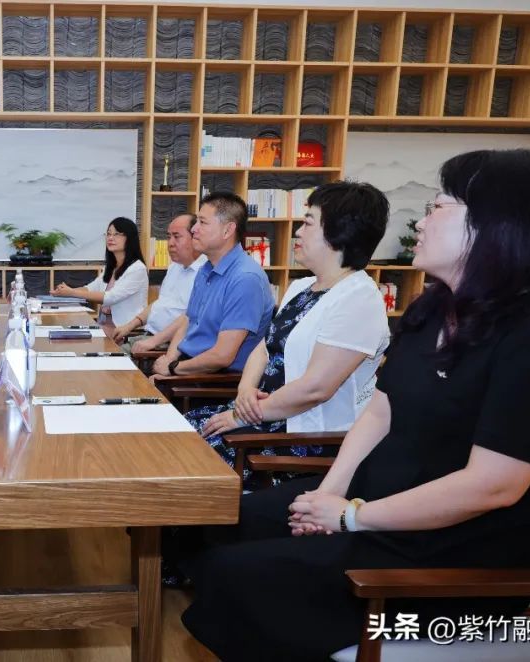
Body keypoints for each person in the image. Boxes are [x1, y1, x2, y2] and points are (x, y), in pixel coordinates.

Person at [181, 149, 530, 661]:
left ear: (496, 223)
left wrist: (352, 517)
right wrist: (330, 493)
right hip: (382, 507)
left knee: (236, 579)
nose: (421, 222)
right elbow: (379, 410)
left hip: (456, 556)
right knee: (222, 523)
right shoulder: (434, 308)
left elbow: (495, 485)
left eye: (438, 207)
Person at [185, 181, 390, 484]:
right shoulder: (302, 287)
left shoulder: (359, 298)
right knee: (174, 433)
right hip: (261, 416)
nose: (297, 232)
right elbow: (263, 348)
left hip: (301, 436)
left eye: (308, 223)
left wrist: (243, 414)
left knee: (186, 458)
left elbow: (316, 389)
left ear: (340, 231)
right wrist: (244, 391)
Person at [150, 192, 275, 381]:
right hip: (189, 367)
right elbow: (188, 321)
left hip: (214, 380)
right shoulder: (206, 269)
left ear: (227, 230)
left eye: (202, 222)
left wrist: (174, 368)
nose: (194, 229)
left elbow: (222, 357)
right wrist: (170, 359)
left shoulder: (245, 279)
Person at [111, 213, 206, 351]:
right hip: (147, 336)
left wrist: (154, 341)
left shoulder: (205, 274)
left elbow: (188, 321)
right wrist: (129, 326)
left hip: (167, 346)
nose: (170, 243)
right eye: (169, 237)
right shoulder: (174, 267)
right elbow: (160, 304)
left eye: (177, 237)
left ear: (195, 238)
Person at [50, 217, 148, 332]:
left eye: (116, 234)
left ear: (130, 238)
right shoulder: (110, 267)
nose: (110, 238)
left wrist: (72, 292)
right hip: (104, 325)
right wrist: (65, 292)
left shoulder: (137, 269)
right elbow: (90, 288)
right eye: (108, 234)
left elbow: (111, 297)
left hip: (126, 330)